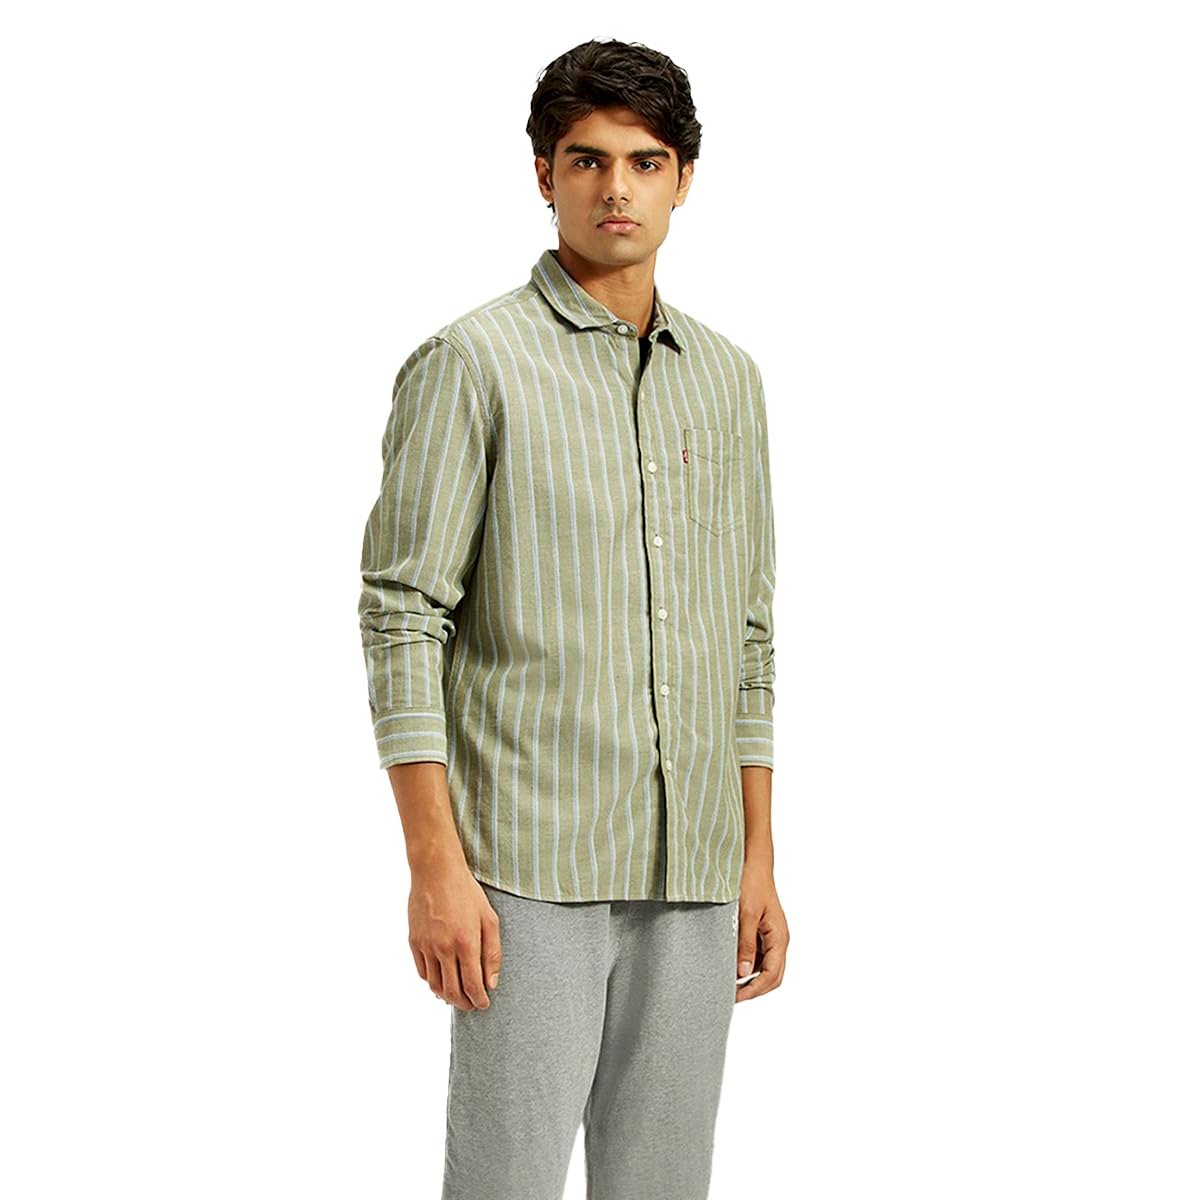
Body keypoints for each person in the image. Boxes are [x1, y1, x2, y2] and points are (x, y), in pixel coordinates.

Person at [357, 36, 789, 1200]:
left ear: (683, 178)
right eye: (588, 160)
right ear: (544, 174)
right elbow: (403, 616)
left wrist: (756, 858)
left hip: (696, 870)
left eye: (645, 162)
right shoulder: (472, 362)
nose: (616, 189)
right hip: (526, 869)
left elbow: (748, 636)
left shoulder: (729, 380)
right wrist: (435, 868)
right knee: (504, 1183)